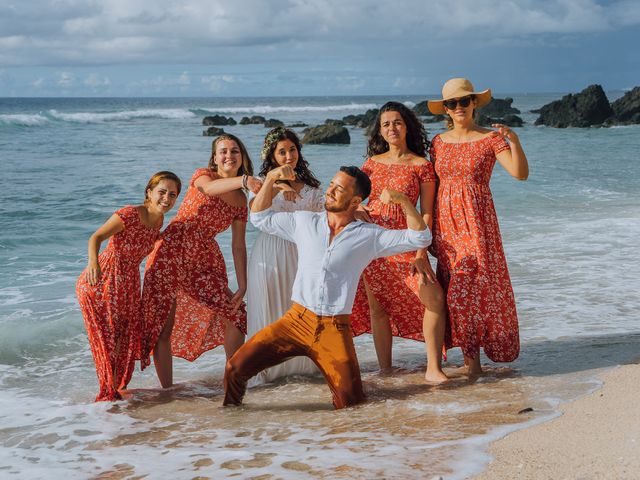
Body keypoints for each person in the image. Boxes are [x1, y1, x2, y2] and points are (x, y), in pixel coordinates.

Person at [223, 165, 433, 409]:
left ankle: (345, 444)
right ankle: (232, 424)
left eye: (339, 188)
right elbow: (259, 217)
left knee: (351, 404)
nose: (330, 191)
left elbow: (420, 238)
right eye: (331, 184)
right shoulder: (304, 221)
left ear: (356, 200)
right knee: (235, 368)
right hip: (294, 322)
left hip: (334, 329)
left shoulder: (369, 236)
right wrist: (270, 178)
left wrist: (404, 202)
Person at [141, 134, 261, 388]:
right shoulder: (203, 175)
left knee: (236, 313)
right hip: (170, 252)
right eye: (223, 151)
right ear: (215, 158)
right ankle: (167, 390)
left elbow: (238, 245)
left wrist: (243, 285)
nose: (229, 156)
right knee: (163, 326)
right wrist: (244, 180)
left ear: (242, 157)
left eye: (234, 151)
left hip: (203, 261)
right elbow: (208, 189)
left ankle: (234, 380)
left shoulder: (241, 201)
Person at [427, 77, 529, 375]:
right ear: (445, 109)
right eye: (452, 103)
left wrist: (515, 142)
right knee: (452, 291)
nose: (458, 107)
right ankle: (472, 363)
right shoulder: (437, 143)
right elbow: (430, 185)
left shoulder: (491, 138)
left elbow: (519, 174)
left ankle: (473, 366)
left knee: (466, 291)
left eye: (463, 101)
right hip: (446, 227)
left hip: (477, 223)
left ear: (473, 104)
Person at [350, 101, 448, 382]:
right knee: (378, 308)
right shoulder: (370, 164)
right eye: (386, 124)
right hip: (373, 243)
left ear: (407, 127)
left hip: (407, 242)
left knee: (434, 299)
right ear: (379, 131)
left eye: (397, 122)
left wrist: (421, 252)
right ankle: (385, 370)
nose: (392, 128)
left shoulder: (422, 166)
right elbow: (353, 198)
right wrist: (358, 209)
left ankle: (433, 367)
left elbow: (427, 212)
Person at [76, 171, 182, 401]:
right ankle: (107, 394)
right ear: (149, 193)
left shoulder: (160, 220)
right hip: (103, 280)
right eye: (162, 192)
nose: (166, 198)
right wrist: (93, 263)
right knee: (109, 338)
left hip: (129, 282)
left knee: (123, 337)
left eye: (172, 195)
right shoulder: (130, 213)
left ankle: (115, 390)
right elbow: (95, 238)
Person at [246, 127, 324, 384]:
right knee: (270, 309)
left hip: (302, 254)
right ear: (272, 156)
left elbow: (326, 219)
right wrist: (273, 181)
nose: (289, 155)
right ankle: (264, 369)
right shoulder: (260, 183)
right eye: (282, 152)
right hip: (269, 253)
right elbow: (256, 214)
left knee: (300, 308)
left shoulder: (312, 187)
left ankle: (302, 367)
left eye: (293, 149)